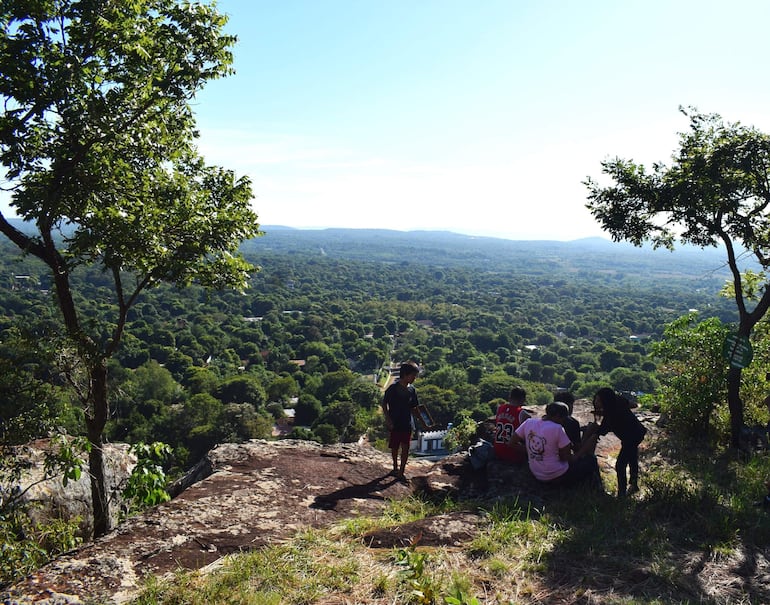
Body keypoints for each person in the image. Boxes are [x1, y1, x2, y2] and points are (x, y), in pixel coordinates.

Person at [513, 401, 599, 487]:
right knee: (591, 460)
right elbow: (566, 458)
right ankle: (594, 488)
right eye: (564, 419)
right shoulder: (557, 428)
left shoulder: (529, 422)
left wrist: (531, 451)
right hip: (557, 476)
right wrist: (583, 450)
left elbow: (512, 443)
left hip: (537, 474)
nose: (564, 422)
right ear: (558, 416)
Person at [589, 387, 647, 498]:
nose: (596, 402)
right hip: (636, 432)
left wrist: (592, 432)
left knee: (620, 465)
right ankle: (633, 484)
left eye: (599, 400)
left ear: (605, 401)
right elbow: (630, 404)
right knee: (632, 457)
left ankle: (622, 493)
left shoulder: (612, 413)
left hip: (632, 436)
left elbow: (602, 430)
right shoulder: (618, 401)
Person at [381, 361, 420, 481]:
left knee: (406, 448)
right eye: (413, 375)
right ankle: (395, 468)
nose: (414, 378)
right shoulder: (393, 389)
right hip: (395, 423)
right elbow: (384, 404)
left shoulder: (412, 390)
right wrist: (388, 419)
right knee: (394, 447)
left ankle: (401, 471)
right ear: (405, 374)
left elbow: (414, 408)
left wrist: (423, 423)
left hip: (407, 423)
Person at [493, 386, 531, 463]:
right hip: (513, 453)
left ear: (509, 397)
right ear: (523, 399)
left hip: (497, 450)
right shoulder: (523, 414)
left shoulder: (499, 408)